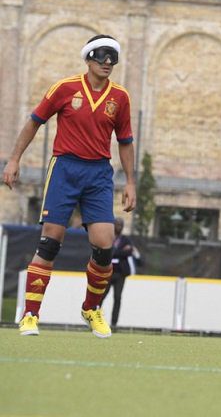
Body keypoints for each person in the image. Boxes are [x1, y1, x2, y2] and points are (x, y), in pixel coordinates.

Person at [4, 34, 135, 338]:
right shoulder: (64, 89)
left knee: (104, 246)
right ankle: (30, 316)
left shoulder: (121, 97)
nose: (107, 63)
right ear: (88, 58)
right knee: (50, 243)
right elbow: (34, 121)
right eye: (102, 56)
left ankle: (91, 308)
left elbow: (125, 141)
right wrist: (13, 160)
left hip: (99, 174)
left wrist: (130, 181)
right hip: (65, 168)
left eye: (112, 58)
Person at [99, 218, 136, 327]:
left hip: (120, 273)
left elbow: (129, 252)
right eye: (117, 224)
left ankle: (114, 323)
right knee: (102, 296)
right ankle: (96, 319)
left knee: (118, 297)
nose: (119, 226)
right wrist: (120, 252)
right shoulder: (108, 237)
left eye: (121, 224)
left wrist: (115, 252)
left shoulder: (125, 239)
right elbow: (106, 252)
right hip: (107, 272)